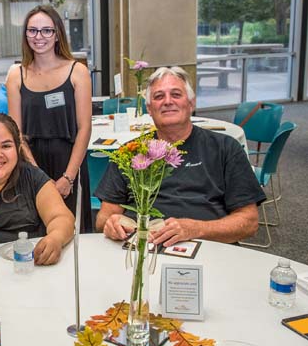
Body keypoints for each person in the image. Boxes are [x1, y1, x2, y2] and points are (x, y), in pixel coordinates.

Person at [95, 66, 265, 247]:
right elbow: (103, 217)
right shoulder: (131, 152)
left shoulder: (225, 148)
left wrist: (197, 229)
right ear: (149, 109)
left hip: (206, 246)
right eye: (159, 96)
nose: (167, 101)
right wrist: (110, 223)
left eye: (176, 94)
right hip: (142, 249)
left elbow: (249, 222)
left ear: (191, 103)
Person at [6, 5, 93, 233]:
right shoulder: (16, 75)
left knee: (73, 234)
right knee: (37, 232)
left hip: (70, 162)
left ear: (57, 34)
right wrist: (39, 177)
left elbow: (84, 129)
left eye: (46, 30)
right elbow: (17, 133)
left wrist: (68, 177)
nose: (39, 37)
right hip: (31, 163)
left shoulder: (77, 71)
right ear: (25, 35)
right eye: (33, 31)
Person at [0, 114, 75, 264]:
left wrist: (55, 238)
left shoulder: (32, 177)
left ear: (18, 148)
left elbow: (62, 217)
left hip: (26, 267)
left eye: (6, 146)